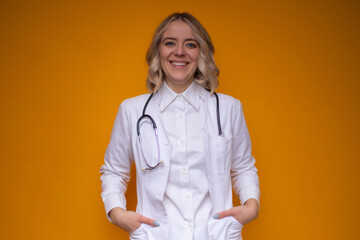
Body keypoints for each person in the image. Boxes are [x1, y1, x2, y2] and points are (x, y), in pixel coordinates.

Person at [100, 12, 260, 240]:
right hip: (156, 235)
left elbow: (243, 167)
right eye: (170, 43)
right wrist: (118, 214)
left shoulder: (228, 108)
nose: (180, 52)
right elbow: (114, 171)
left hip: (215, 234)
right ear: (158, 51)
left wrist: (251, 206)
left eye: (190, 44)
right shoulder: (132, 111)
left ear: (201, 52)